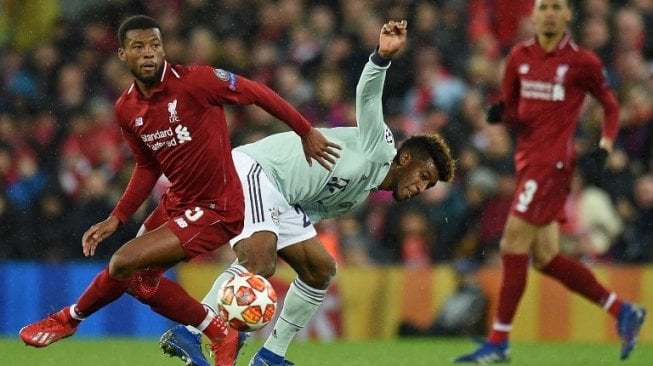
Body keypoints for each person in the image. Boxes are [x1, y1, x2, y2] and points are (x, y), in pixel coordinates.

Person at [18, 15, 340, 366]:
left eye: (155, 45)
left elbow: (256, 92)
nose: (149, 53)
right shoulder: (127, 108)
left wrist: (305, 131)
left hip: (218, 207)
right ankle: (218, 331)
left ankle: (69, 319)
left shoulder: (197, 81)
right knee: (139, 282)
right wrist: (118, 216)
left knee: (123, 261)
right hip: (179, 200)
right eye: (139, 47)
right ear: (123, 55)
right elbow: (146, 165)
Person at [159, 20, 456, 366]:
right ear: (405, 159)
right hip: (257, 169)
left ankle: (271, 354)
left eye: (429, 185)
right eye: (423, 176)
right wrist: (380, 59)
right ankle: (192, 332)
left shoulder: (358, 195)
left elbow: (303, 211)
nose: (421, 187)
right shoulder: (382, 147)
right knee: (260, 261)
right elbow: (368, 97)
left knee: (319, 269)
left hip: (282, 195)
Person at [454, 1, 646, 363]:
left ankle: (499, 342)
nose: (551, 14)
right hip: (526, 163)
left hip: (554, 166)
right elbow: (512, 107)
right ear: (535, 14)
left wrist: (604, 146)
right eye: (545, 7)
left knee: (512, 242)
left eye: (558, 7)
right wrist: (500, 113)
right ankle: (623, 311)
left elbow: (610, 105)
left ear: (568, 15)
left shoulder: (582, 62)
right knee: (545, 257)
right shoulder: (518, 57)